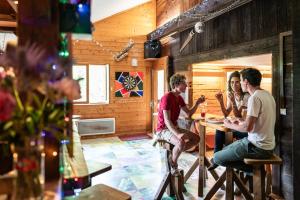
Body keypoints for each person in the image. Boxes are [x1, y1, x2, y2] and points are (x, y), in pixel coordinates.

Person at [213, 68, 276, 173]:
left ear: (246, 82)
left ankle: (254, 170)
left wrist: (229, 124)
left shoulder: (254, 98)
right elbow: (256, 122)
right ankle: (252, 170)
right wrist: (241, 122)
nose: (240, 83)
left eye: (241, 80)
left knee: (217, 158)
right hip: (267, 146)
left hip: (257, 147)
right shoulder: (268, 95)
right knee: (224, 151)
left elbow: (247, 128)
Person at [156, 73, 205, 170]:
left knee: (196, 139)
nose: (186, 85)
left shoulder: (179, 98)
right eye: (184, 83)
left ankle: (174, 152)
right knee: (180, 142)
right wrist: (178, 134)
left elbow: (189, 113)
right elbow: (167, 120)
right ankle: (173, 164)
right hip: (163, 130)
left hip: (174, 128)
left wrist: (197, 103)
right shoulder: (167, 97)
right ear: (176, 85)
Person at [208, 71, 250, 170]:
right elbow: (226, 113)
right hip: (238, 127)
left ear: (241, 83)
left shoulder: (247, 96)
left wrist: (232, 102)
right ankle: (216, 156)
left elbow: (238, 115)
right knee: (220, 129)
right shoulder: (232, 95)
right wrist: (221, 101)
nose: (234, 85)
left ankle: (220, 158)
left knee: (223, 131)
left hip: (246, 131)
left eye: (236, 82)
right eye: (231, 82)